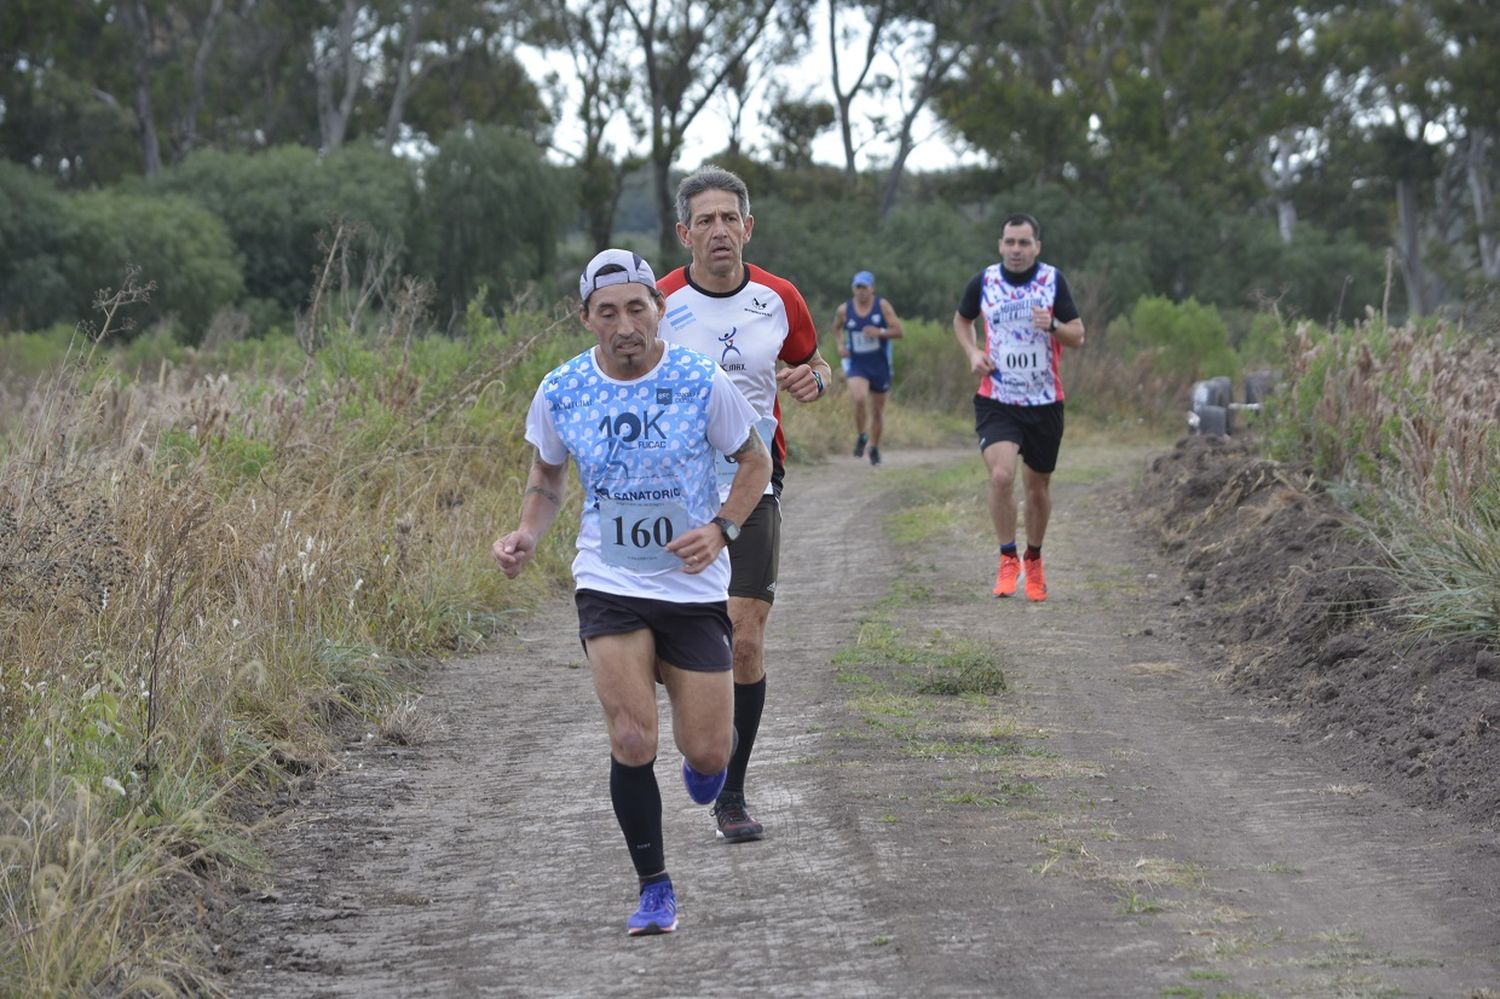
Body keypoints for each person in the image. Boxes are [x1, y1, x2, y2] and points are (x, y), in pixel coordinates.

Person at [493, 248, 772, 936]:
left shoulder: (699, 379)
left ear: (660, 310)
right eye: (608, 311)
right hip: (608, 581)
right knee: (630, 735)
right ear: (586, 317)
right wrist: (528, 532)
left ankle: (708, 776)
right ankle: (654, 887)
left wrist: (723, 527)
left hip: (691, 585)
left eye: (637, 308)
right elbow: (548, 475)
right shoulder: (561, 388)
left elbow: (754, 460)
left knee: (709, 751)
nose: (625, 324)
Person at [656, 165, 832, 843]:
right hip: (674, 486)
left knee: (746, 637)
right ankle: (699, 733)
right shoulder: (661, 301)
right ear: (684, 233)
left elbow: (814, 363)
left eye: (731, 218)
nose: (720, 231)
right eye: (706, 220)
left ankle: (731, 789)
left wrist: (813, 379)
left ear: (749, 227)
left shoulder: (779, 297)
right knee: (676, 639)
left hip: (755, 477)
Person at [952, 213, 1085, 602]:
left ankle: (1035, 559)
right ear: (1000, 245)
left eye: (1023, 243)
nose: (1016, 249)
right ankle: (1007, 557)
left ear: (1036, 247)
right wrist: (972, 351)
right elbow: (962, 321)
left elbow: (1078, 334)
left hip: (1044, 402)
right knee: (1000, 476)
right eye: (1010, 242)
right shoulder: (985, 281)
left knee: (1037, 487)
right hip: (998, 398)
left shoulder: (1052, 282)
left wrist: (1053, 327)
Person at [832, 270, 904, 466]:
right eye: (858, 287)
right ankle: (862, 435)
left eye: (865, 287)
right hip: (857, 363)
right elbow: (837, 328)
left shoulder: (882, 306)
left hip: (879, 364)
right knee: (859, 398)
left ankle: (874, 447)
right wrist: (840, 345)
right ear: (853, 289)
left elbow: (899, 331)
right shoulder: (844, 309)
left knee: (878, 411)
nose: (861, 292)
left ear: (872, 289)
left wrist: (879, 332)